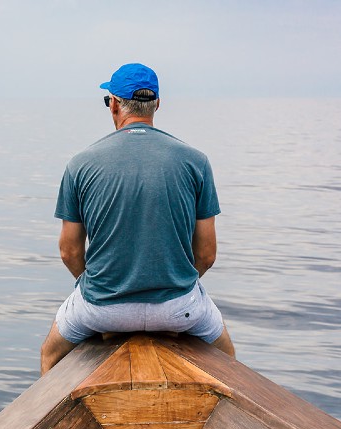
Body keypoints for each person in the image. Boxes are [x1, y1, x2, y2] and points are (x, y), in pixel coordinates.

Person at [40, 63, 235, 375]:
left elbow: (70, 252)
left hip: (102, 310)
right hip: (179, 310)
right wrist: (173, 287)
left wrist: (97, 291)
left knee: (49, 355)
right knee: (229, 359)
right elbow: (207, 255)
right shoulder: (196, 161)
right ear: (157, 104)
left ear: (114, 104)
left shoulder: (80, 163)